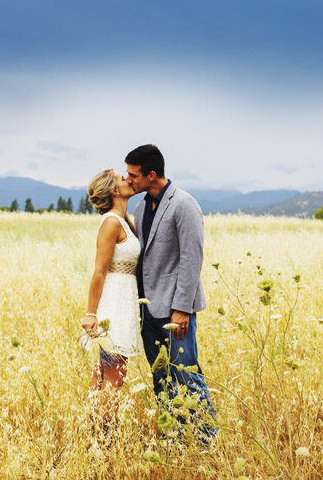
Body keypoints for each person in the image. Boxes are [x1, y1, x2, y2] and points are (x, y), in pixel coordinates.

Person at [125, 144, 217, 443]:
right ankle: (173, 437)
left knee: (188, 376)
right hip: (147, 309)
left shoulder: (184, 204)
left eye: (133, 176)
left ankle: (208, 439)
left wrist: (182, 308)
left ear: (152, 175)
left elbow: (192, 259)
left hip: (175, 311)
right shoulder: (140, 207)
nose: (129, 181)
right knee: (160, 377)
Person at [80, 169, 143, 418]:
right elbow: (99, 272)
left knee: (104, 374)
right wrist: (91, 313)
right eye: (122, 178)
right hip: (114, 302)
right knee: (114, 376)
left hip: (124, 299)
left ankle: (94, 437)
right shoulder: (110, 222)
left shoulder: (123, 219)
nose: (128, 179)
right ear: (114, 190)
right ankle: (104, 440)